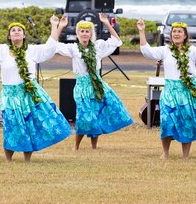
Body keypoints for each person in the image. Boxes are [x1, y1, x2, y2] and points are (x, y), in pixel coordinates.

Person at [0, 18, 71, 162]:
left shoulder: (31, 50)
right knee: (11, 125)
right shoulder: (2, 50)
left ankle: (27, 160)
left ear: (24, 35)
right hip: (10, 94)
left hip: (28, 92)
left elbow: (49, 48)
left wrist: (56, 26)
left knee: (29, 124)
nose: (16, 32)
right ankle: (8, 160)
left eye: (19, 30)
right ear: (9, 36)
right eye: (13, 31)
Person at [137, 19, 196, 158]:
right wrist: (141, 31)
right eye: (174, 32)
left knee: (187, 121)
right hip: (170, 89)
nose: (176, 34)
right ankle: (165, 152)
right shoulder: (165, 50)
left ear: (185, 35)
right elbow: (148, 52)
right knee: (166, 120)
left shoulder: (192, 51)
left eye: (179, 32)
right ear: (171, 35)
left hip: (188, 89)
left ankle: (185, 155)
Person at [49, 13, 133, 150]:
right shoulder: (73, 48)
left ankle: (94, 146)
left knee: (96, 115)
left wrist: (106, 23)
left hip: (97, 85)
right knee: (84, 116)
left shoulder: (98, 47)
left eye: (87, 31)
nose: (84, 34)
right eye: (81, 31)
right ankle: (76, 146)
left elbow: (117, 41)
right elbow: (53, 45)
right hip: (82, 86)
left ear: (91, 33)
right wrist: (60, 27)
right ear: (77, 33)